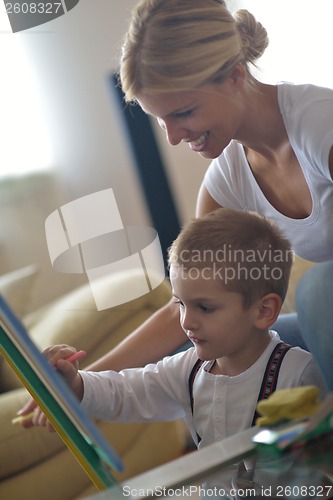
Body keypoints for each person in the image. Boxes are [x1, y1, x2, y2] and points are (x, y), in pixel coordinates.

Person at [19, 0, 333, 424]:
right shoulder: (228, 181)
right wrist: (80, 384)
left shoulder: (320, 126)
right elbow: (181, 307)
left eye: (184, 112)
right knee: (221, 354)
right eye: (161, 120)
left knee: (318, 292)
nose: (172, 137)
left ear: (236, 76)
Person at [34, 209, 327, 445]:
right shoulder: (186, 370)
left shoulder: (301, 373)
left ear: (264, 311)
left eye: (205, 307)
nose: (186, 321)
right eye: (181, 304)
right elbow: (126, 391)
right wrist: (76, 383)